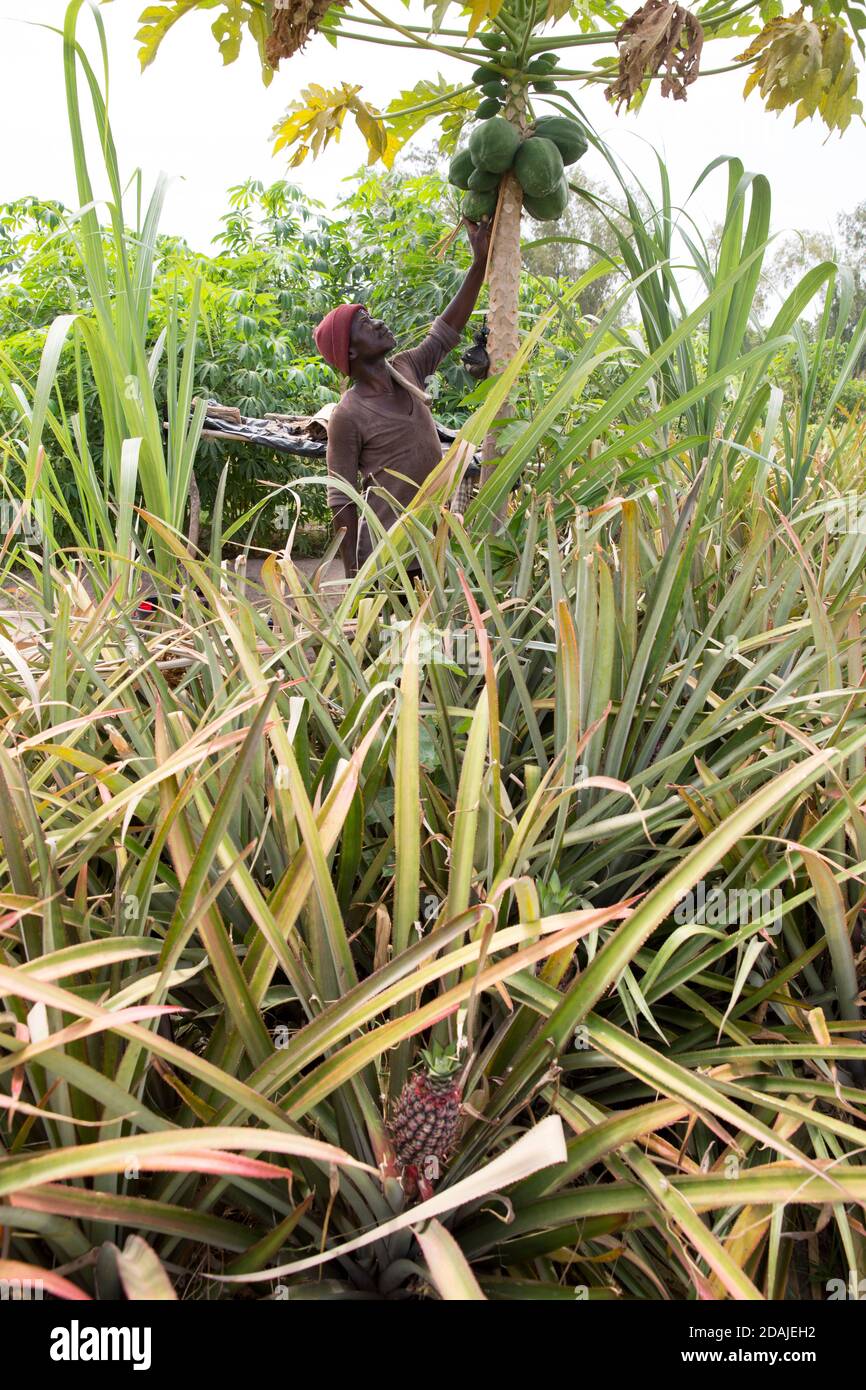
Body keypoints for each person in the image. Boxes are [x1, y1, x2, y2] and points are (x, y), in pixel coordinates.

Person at [313, 217, 492, 579]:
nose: (378, 323)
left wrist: (478, 264)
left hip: (432, 549)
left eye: (372, 317)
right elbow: (341, 500)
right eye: (365, 325)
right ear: (349, 352)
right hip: (388, 558)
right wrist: (354, 579)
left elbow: (448, 329)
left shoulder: (407, 368)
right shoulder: (348, 415)